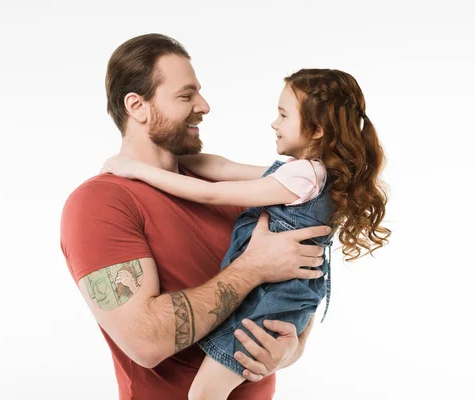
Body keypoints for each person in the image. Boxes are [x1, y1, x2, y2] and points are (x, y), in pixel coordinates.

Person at [60, 33, 331, 400]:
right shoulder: (99, 203)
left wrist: (292, 348)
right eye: (186, 96)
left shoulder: (228, 188)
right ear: (137, 106)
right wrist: (253, 267)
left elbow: (299, 272)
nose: (203, 106)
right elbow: (146, 341)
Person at [101, 68, 391, 399]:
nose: (274, 123)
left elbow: (212, 192)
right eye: (184, 95)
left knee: (203, 395)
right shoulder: (306, 175)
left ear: (315, 129)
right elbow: (224, 168)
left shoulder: (302, 177)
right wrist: (171, 151)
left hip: (266, 307)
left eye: (283, 115)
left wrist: (138, 169)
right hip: (279, 303)